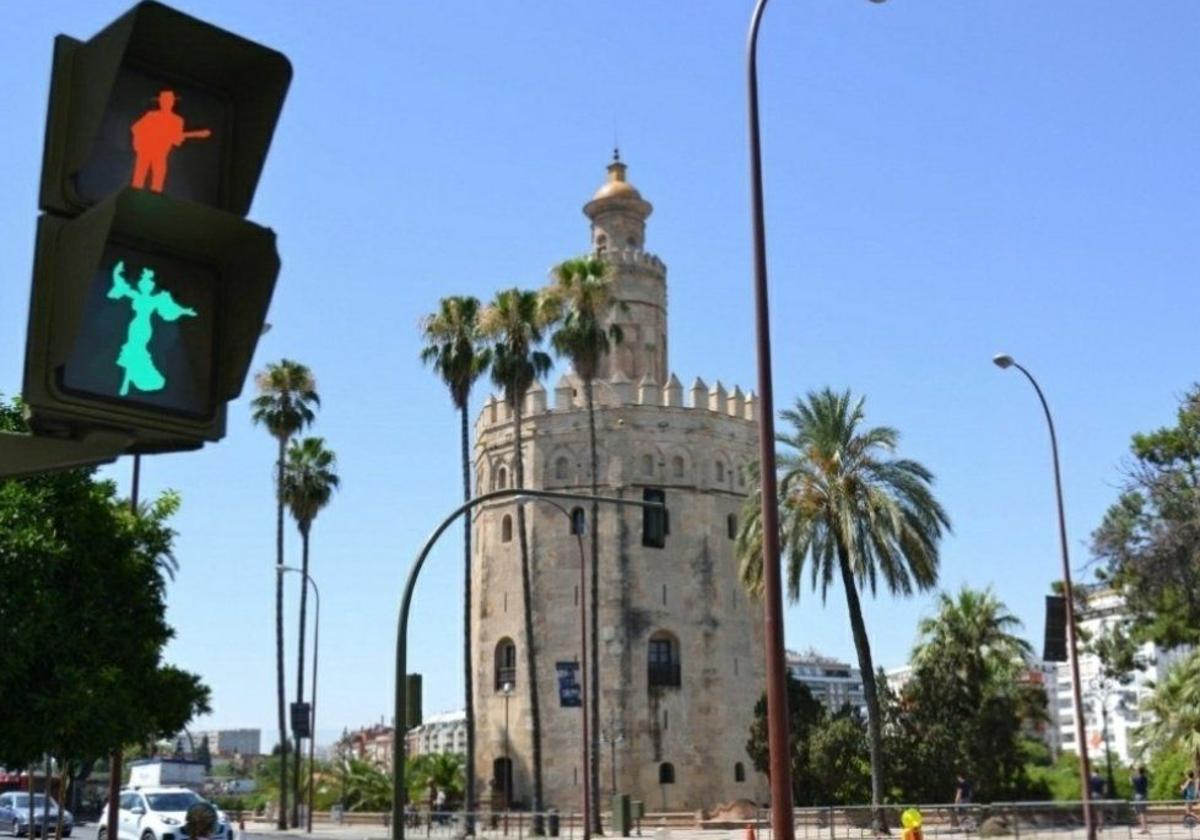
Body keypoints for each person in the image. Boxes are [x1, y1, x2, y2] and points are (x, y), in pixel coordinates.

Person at [106, 260, 197, 396]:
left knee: (138, 347)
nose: (146, 285)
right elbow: (121, 286)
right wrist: (116, 272)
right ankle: (126, 380)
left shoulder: (156, 299)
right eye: (144, 283)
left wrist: (185, 311)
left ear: (152, 286)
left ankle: (130, 378)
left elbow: (171, 307)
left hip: (145, 327)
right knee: (133, 346)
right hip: (135, 325)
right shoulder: (136, 294)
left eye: (149, 283)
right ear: (141, 284)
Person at [130, 90, 211, 192]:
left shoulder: (177, 120)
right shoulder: (151, 115)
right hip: (144, 151)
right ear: (160, 102)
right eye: (164, 101)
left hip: (161, 154)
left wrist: (179, 137)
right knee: (138, 180)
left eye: (168, 101)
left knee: (157, 183)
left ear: (172, 102)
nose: (166, 103)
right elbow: (136, 129)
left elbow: (176, 141)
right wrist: (137, 144)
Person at [1131, 766, 1149, 834]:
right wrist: (1136, 770)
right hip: (1144, 795)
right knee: (1143, 812)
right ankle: (1144, 827)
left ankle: (1143, 828)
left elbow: (1131, 782)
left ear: (1138, 771)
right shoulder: (1145, 778)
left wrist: (1133, 770)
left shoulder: (1135, 778)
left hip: (1138, 796)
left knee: (1140, 813)